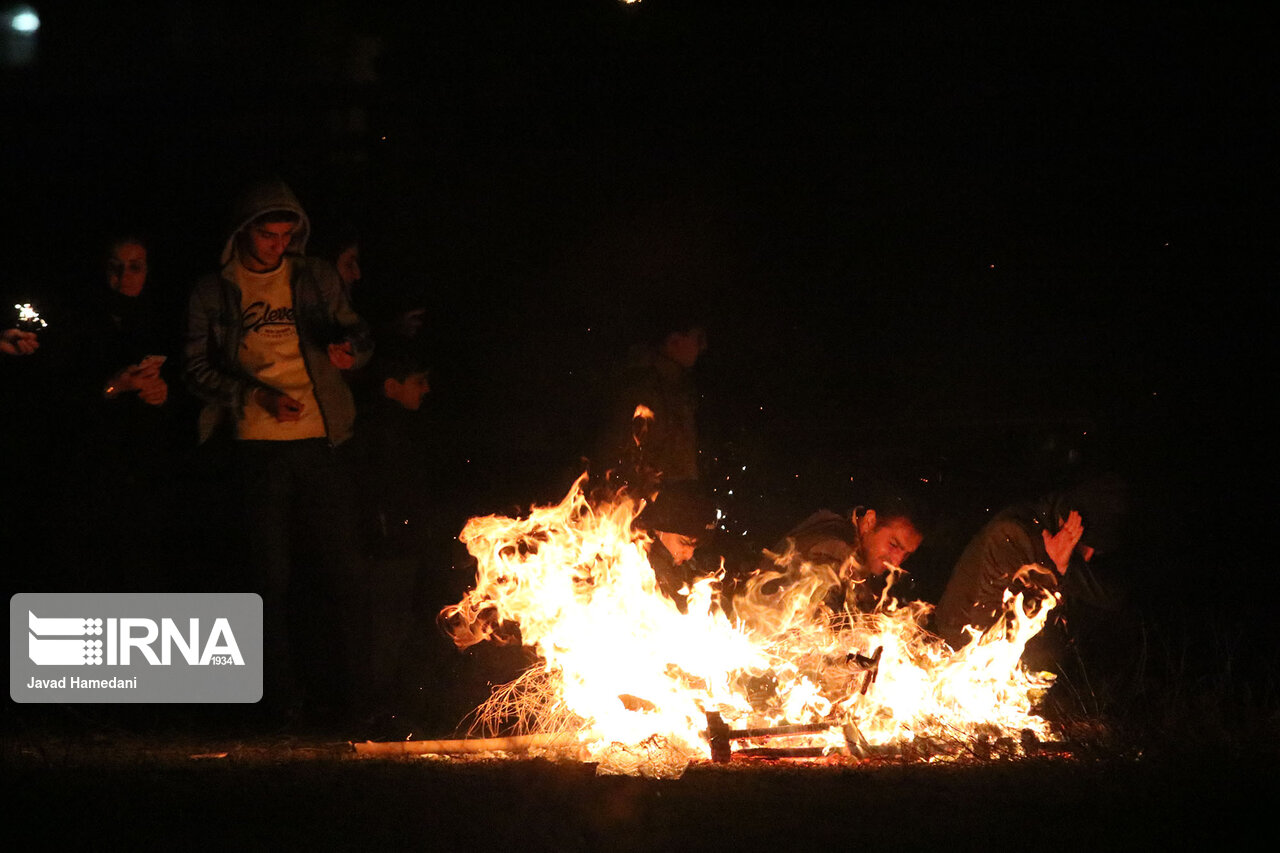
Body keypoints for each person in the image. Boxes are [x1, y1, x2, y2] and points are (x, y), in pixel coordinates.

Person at [183, 178, 372, 720]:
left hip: (321, 440)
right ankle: (280, 701)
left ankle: (355, 700)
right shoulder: (212, 291)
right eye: (267, 235)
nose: (277, 245)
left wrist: (348, 352)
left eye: (287, 234)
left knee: (342, 571)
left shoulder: (313, 276)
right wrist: (255, 394)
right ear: (244, 232)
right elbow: (196, 367)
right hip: (257, 449)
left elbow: (357, 335)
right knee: (268, 579)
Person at [932, 474, 1129, 654]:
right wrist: (1054, 568)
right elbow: (987, 626)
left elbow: (1116, 598)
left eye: (1098, 551)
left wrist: (1063, 568)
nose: (1088, 557)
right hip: (957, 643)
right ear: (1067, 525)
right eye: (1086, 546)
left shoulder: (1055, 536)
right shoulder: (1015, 536)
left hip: (995, 645)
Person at [735, 488, 930, 626]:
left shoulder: (841, 532)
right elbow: (828, 636)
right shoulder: (835, 552)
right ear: (870, 521)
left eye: (906, 554)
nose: (896, 562)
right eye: (894, 545)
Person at [598, 312, 708, 494]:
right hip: (645, 496)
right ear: (675, 341)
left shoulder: (679, 386)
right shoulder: (642, 383)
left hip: (675, 491)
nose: (703, 346)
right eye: (698, 338)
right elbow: (617, 442)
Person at [634, 480, 718, 613]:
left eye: (696, 546)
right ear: (658, 531)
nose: (690, 554)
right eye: (684, 542)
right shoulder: (630, 573)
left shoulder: (692, 576)